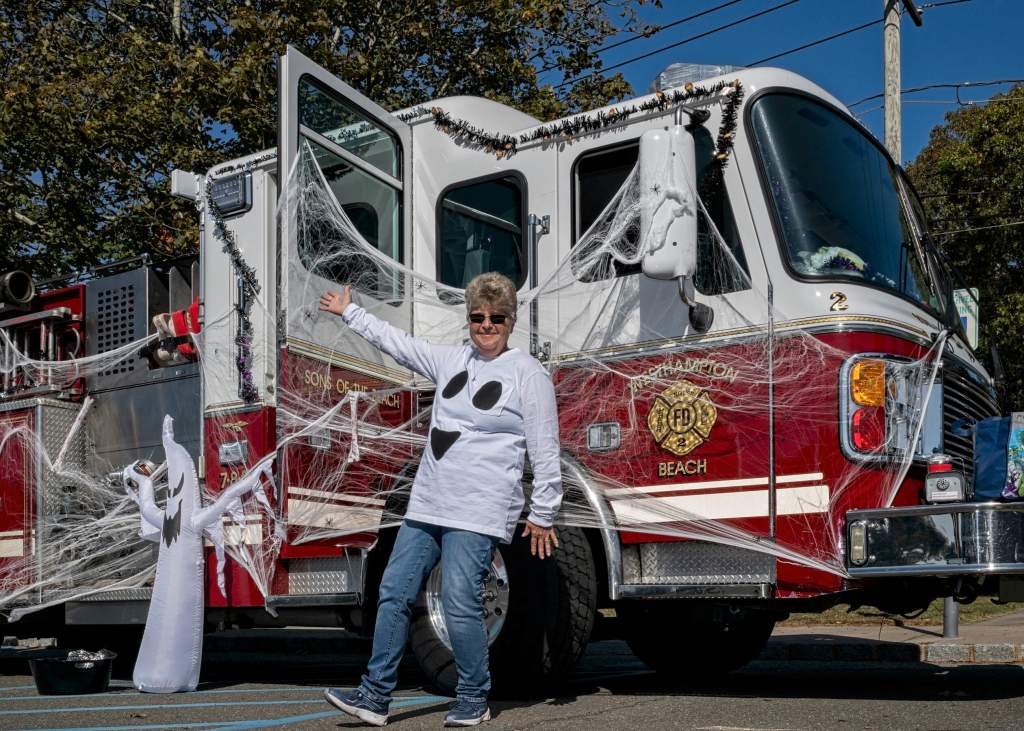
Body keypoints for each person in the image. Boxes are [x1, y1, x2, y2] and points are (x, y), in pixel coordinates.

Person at [320, 272, 563, 727]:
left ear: (511, 321)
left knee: (458, 599)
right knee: (393, 592)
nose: (485, 325)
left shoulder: (528, 374)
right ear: (468, 318)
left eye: (496, 318)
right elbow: (397, 342)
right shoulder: (450, 360)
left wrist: (544, 511)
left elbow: (545, 448)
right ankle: (374, 697)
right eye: (477, 317)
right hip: (429, 502)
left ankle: (473, 698)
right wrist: (350, 312)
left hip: (480, 507)